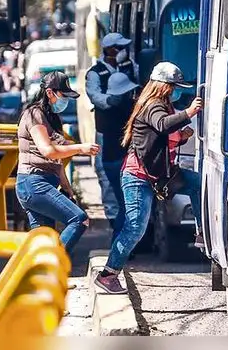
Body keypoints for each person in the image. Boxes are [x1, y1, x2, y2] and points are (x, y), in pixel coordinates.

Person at [93, 62, 204, 295]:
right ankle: (108, 275)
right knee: (135, 228)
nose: (176, 91)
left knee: (197, 184)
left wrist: (182, 137)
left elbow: (160, 139)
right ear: (163, 87)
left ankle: (201, 234)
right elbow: (162, 126)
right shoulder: (153, 105)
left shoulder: (162, 105)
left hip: (160, 174)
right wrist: (189, 113)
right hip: (138, 177)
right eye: (173, 87)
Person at [15, 71, 100, 254]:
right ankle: (54, 265)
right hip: (33, 183)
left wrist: (67, 187)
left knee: (44, 241)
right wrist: (80, 148)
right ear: (50, 93)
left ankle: (44, 279)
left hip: (43, 183)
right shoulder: (34, 115)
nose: (66, 101)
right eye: (63, 96)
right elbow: (48, 150)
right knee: (79, 219)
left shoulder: (50, 117)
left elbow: (56, 161)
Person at [85, 32, 139, 231]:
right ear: (111, 50)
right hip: (106, 131)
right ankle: (115, 220)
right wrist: (112, 100)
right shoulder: (95, 73)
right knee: (107, 178)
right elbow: (95, 96)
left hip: (128, 130)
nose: (123, 52)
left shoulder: (129, 68)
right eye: (120, 48)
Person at [101, 72, 140, 238]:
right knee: (126, 206)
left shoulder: (104, 107)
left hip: (109, 161)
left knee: (123, 204)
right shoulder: (125, 108)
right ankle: (119, 242)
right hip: (120, 162)